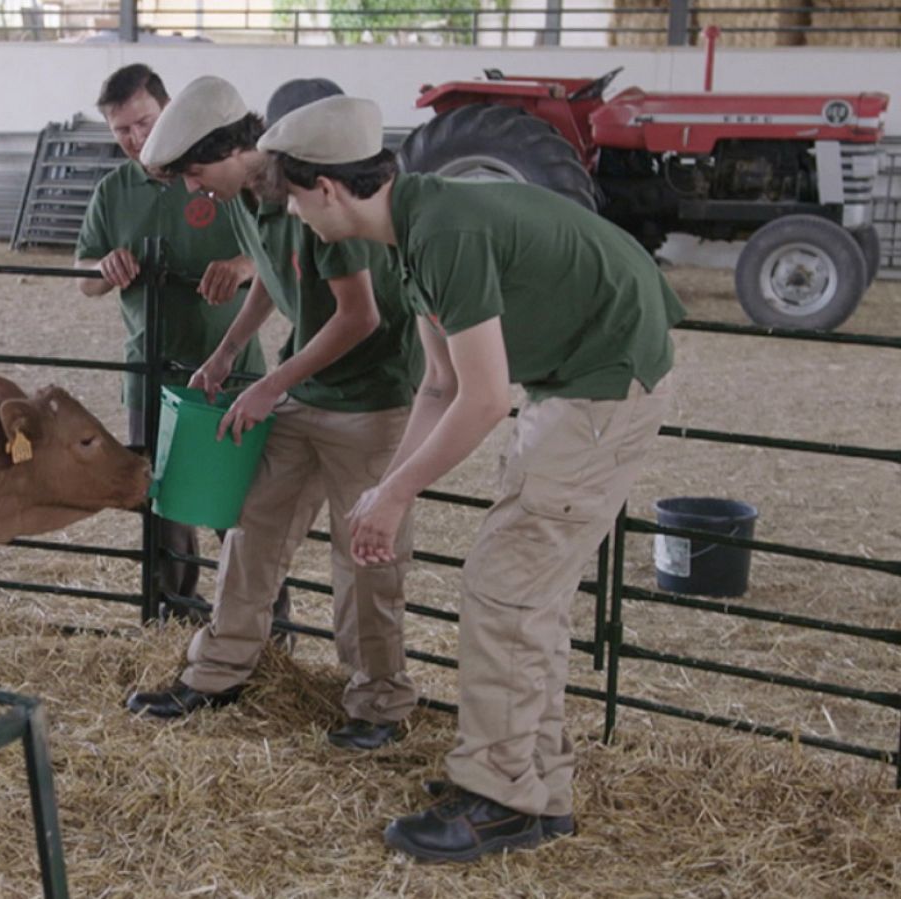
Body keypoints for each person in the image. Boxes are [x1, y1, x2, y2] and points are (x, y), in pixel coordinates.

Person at [259, 95, 685, 861]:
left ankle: (501, 799)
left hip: (603, 378)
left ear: (325, 189)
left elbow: (487, 399)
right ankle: (532, 783)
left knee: (507, 583)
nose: (294, 215)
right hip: (576, 378)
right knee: (525, 590)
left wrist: (392, 493)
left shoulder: (441, 229)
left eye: (292, 197)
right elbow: (442, 385)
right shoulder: (418, 225)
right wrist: (387, 490)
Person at [123, 76, 422, 753]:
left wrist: (270, 384)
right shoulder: (245, 199)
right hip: (306, 393)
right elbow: (268, 275)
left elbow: (360, 315)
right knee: (253, 531)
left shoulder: (318, 191)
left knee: (366, 555)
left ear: (234, 147)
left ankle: (379, 702)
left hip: (371, 402)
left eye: (198, 170)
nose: (196, 187)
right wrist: (231, 351)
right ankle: (217, 671)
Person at [76, 64, 270, 614]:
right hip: (149, 369)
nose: (137, 140)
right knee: (161, 503)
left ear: (169, 114)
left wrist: (237, 267)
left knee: (236, 501)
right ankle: (173, 611)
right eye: (123, 131)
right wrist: (104, 266)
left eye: (145, 123)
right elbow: (83, 275)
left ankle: (256, 616)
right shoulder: (114, 190)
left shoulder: (225, 176)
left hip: (229, 368)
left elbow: (272, 255)